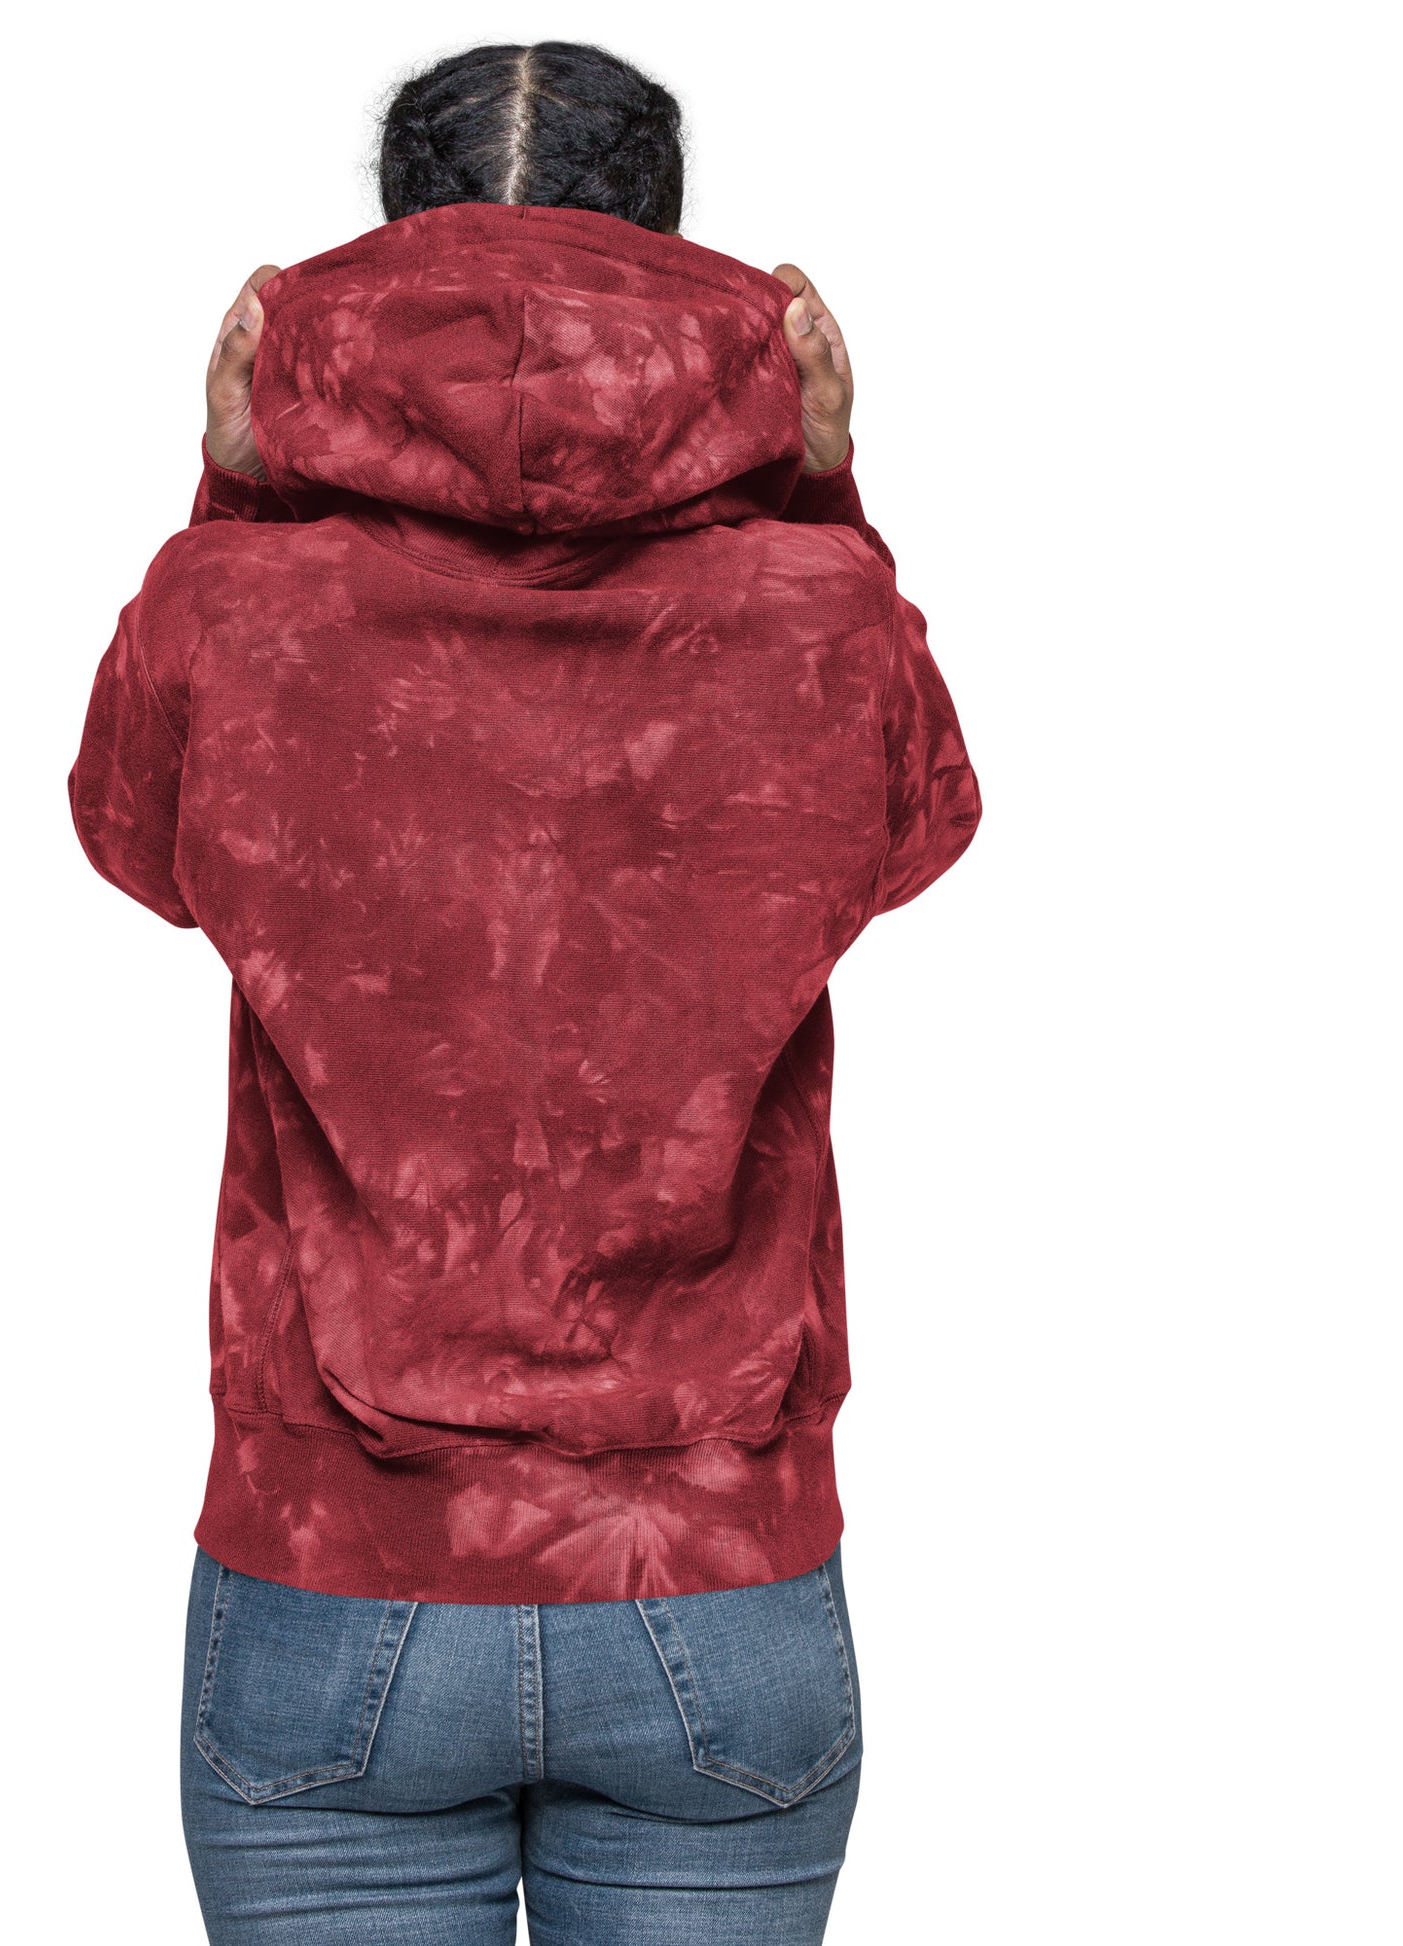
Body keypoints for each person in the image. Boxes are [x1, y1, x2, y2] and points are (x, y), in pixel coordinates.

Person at [69, 39, 980, 1946]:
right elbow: (908, 831)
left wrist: (235, 496)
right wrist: (822, 495)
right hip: (715, 1559)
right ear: (666, 243)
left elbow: (139, 843)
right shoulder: (809, 608)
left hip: (334, 1557)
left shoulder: (237, 608)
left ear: (396, 235)